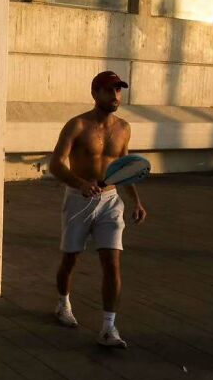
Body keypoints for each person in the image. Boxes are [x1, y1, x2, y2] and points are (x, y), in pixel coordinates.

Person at [48, 71, 147, 349]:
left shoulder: (124, 128)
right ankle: (62, 303)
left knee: (112, 262)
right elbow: (55, 164)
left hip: (111, 202)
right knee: (71, 260)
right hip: (79, 200)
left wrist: (136, 201)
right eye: (108, 90)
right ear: (95, 93)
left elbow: (124, 166)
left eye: (118, 90)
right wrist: (79, 183)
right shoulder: (77, 125)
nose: (115, 95)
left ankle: (108, 327)